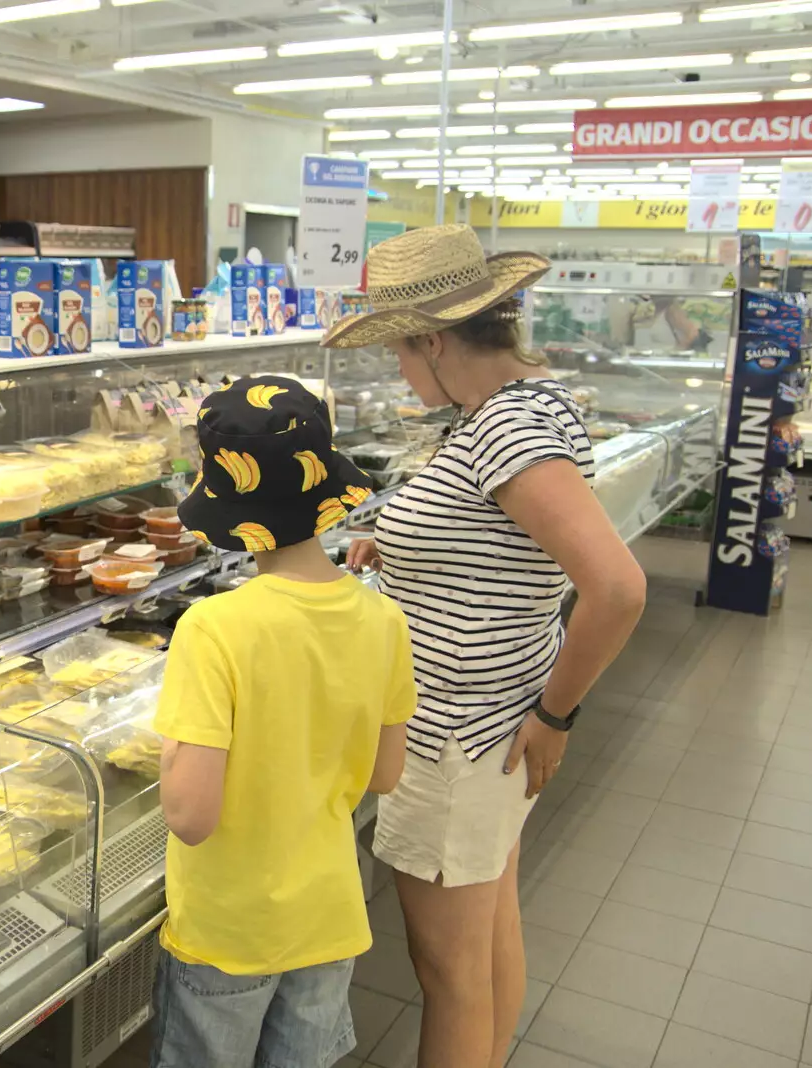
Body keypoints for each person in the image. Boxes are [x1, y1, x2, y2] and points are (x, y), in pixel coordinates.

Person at [327, 225, 646, 1068]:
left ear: (433, 340)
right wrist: (398, 545)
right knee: (492, 929)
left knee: (448, 970)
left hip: (461, 737)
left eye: (399, 349)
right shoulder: (514, 407)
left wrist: (556, 715)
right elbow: (497, 536)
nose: (397, 367)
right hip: (490, 728)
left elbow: (617, 588)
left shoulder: (505, 428)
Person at [151, 375, 418, 1068]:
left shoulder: (214, 628)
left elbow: (190, 816)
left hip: (229, 926)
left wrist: (170, 752)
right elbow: (384, 776)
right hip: (329, 912)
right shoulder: (384, 618)